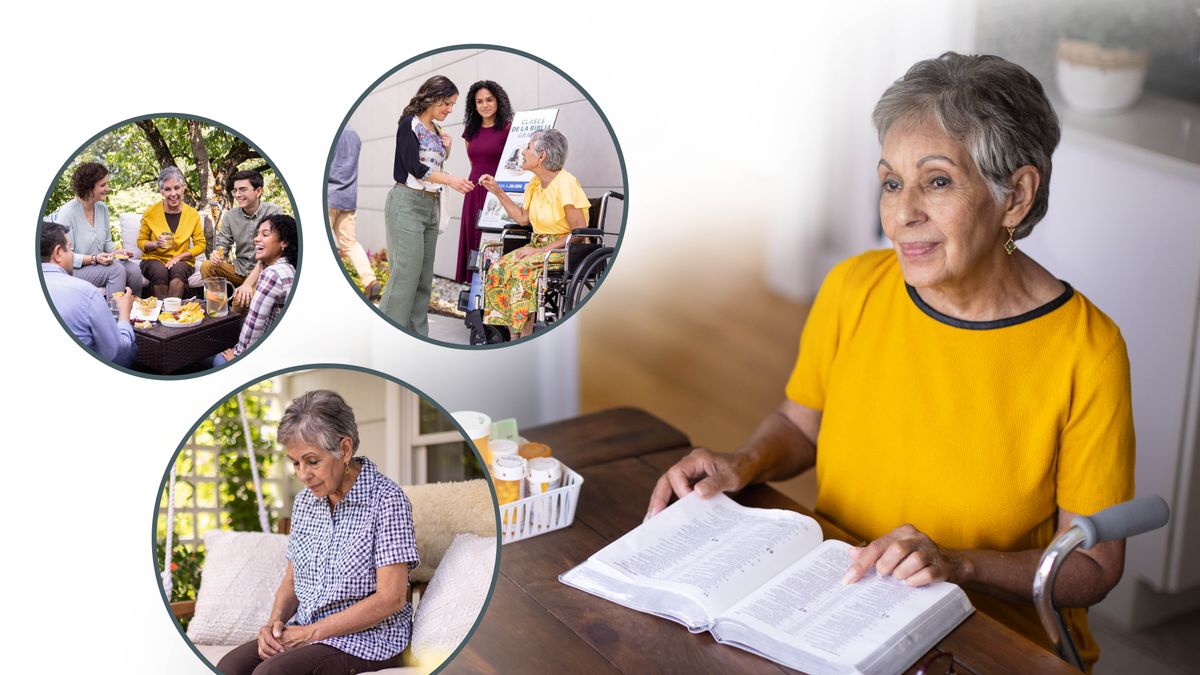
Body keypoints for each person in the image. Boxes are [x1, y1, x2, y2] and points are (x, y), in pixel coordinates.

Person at [645, 52, 1133, 670]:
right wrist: (742, 462)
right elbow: (801, 425)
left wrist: (956, 563)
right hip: (834, 606)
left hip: (984, 639)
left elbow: (1091, 566)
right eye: (892, 182)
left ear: (1016, 196)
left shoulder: (1087, 349)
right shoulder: (854, 287)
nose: (903, 214)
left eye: (936, 181)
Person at [218, 390, 419, 675]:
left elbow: (392, 598)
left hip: (368, 639)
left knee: (271, 673)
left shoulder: (387, 500)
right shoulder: (304, 502)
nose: (302, 474)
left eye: (312, 462)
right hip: (308, 631)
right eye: (295, 463)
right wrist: (272, 626)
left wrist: (311, 633)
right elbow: (292, 581)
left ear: (345, 450)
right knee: (230, 667)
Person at [379, 75, 474, 335]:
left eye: (453, 104)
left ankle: (419, 336)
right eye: (447, 103)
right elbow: (415, 168)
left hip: (431, 206)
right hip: (407, 204)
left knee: (423, 278)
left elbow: (433, 165)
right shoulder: (409, 124)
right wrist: (452, 180)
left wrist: (449, 149)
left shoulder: (437, 130)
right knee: (404, 276)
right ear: (432, 97)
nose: (450, 109)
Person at [479, 129, 590, 339]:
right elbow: (522, 219)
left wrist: (542, 250)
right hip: (538, 246)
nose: (523, 151)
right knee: (498, 267)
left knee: (521, 271)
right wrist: (497, 191)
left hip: (564, 248)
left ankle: (523, 337)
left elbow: (579, 233)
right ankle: (513, 337)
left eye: (528, 147)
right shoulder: (535, 184)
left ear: (542, 156)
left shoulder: (566, 184)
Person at [40, 220, 136, 367]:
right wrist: (124, 313)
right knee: (131, 348)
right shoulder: (86, 293)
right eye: (70, 250)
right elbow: (118, 350)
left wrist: (115, 252)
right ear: (58, 253)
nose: (72, 255)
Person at [214, 214, 298, 367]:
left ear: (284, 242)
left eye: (265, 234)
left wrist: (238, 354)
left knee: (217, 359)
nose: (257, 239)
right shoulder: (290, 268)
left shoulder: (272, 274)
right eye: (257, 234)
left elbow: (255, 323)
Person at [49, 161, 143, 297]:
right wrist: (94, 258)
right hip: (73, 269)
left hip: (97, 264)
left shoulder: (101, 208)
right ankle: (115, 315)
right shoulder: (68, 213)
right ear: (88, 188)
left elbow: (107, 243)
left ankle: (136, 314)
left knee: (134, 269)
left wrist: (117, 251)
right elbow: (65, 256)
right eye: (103, 185)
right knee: (116, 270)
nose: (107, 188)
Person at [455, 80, 514, 283]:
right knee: (474, 241)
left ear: (498, 101)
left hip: (498, 192)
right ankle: (474, 295)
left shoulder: (508, 130)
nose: (485, 105)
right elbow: (474, 163)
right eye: (479, 101)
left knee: (494, 241)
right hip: (474, 190)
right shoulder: (470, 131)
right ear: (474, 105)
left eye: (489, 99)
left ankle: (496, 291)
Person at [202, 168, 281, 310]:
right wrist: (217, 254)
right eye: (235, 190)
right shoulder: (230, 216)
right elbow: (222, 243)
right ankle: (217, 309)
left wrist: (248, 284)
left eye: (243, 190)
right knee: (207, 266)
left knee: (240, 303)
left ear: (258, 191)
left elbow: (270, 255)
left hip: (263, 274)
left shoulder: (273, 213)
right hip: (240, 271)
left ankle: (236, 322)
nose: (237, 195)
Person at [328, 126, 381, 302]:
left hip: (327, 196)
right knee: (349, 243)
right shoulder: (354, 135)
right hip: (347, 198)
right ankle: (370, 280)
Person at [137, 166, 206, 298]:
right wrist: (155, 244)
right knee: (159, 272)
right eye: (167, 189)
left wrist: (179, 257)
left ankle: (173, 315)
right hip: (153, 259)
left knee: (178, 271)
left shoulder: (192, 214)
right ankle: (161, 314)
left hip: (183, 261)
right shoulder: (151, 212)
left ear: (183, 188)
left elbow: (201, 245)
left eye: (177, 188)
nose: (173, 193)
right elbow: (141, 242)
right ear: (161, 191)